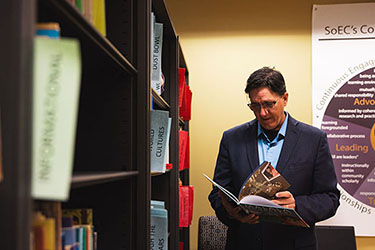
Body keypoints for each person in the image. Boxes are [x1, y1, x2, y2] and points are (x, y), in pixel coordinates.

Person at [208, 67, 340, 250]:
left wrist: (297, 205)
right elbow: (217, 193)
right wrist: (232, 213)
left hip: (294, 244)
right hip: (244, 243)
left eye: (269, 104)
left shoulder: (314, 140)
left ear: (285, 98)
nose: (262, 113)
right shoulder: (232, 139)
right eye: (255, 105)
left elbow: (330, 198)